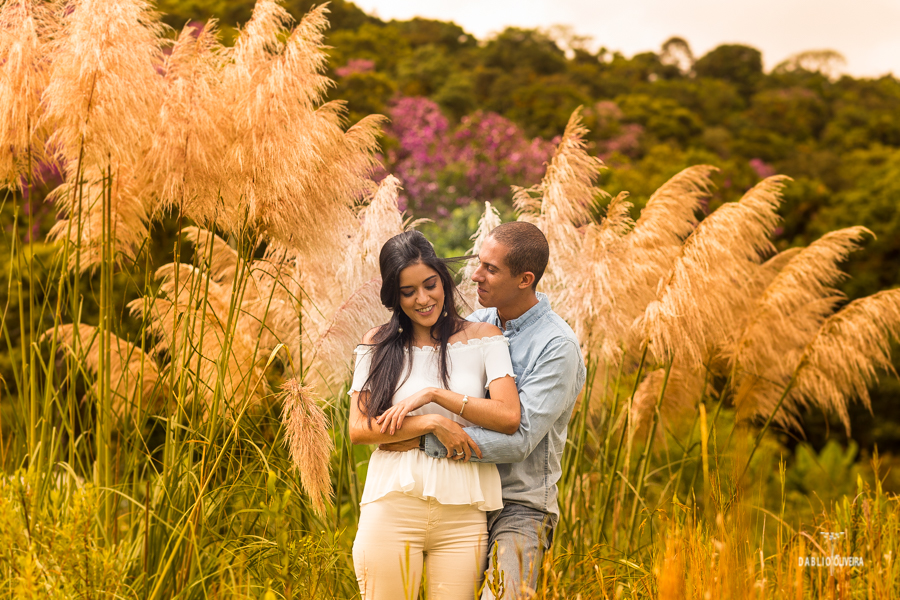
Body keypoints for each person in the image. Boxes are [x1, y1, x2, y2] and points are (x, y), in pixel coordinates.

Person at [381, 221, 586, 599]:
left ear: (525, 279)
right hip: (464, 498)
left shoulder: (557, 347)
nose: (475, 275)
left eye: (490, 269)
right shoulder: (474, 326)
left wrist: (423, 441)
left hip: (518, 509)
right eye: (479, 262)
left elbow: (520, 440)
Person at [349, 230, 523, 600]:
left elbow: (508, 416)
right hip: (391, 508)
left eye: (430, 285)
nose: (423, 299)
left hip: (463, 515)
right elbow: (361, 428)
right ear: (394, 296)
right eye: (408, 291)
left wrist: (435, 396)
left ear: (443, 279)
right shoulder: (376, 344)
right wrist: (433, 423)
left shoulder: (484, 337)